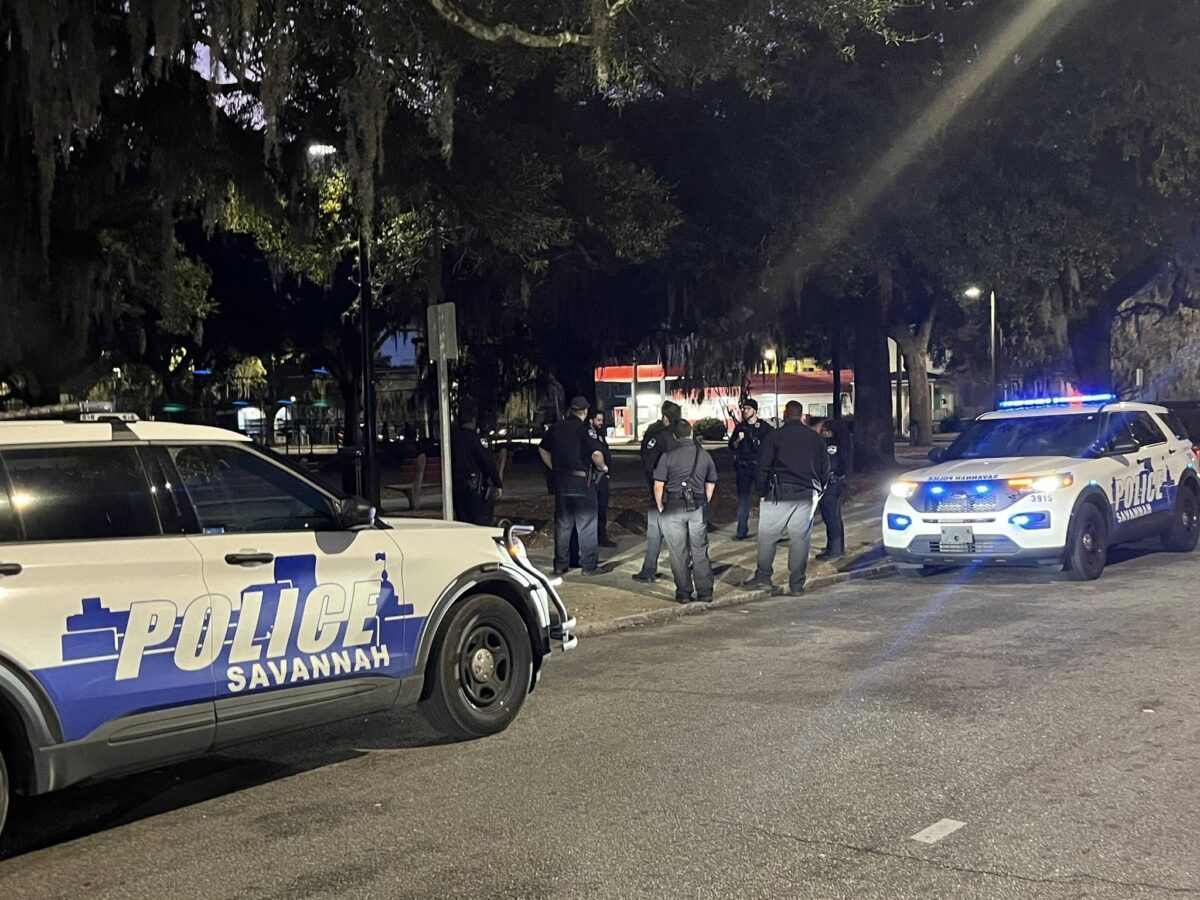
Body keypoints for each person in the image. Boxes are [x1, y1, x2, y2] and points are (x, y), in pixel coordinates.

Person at [742, 400, 832, 595]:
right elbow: (825, 469)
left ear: (785, 414)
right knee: (800, 539)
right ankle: (796, 584)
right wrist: (820, 490)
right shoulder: (815, 438)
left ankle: (764, 577)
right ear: (801, 415)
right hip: (807, 493)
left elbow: (763, 466)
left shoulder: (775, 436)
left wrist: (762, 491)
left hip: (779, 493)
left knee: (767, 537)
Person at [539, 396, 609, 576]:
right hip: (582, 482)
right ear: (585, 412)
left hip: (561, 482)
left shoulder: (556, 427)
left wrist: (554, 467)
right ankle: (589, 565)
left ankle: (561, 564)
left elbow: (542, 449)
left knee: (563, 524)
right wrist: (602, 467)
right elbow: (595, 453)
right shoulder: (585, 429)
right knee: (586, 523)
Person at [654, 420, 718, 603]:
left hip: (673, 507)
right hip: (696, 506)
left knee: (677, 551)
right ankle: (705, 592)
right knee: (700, 549)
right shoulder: (704, 455)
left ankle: (683, 592)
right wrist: (705, 501)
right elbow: (711, 482)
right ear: (691, 433)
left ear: (675, 436)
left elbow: (659, 485)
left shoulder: (667, 456)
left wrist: (660, 506)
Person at [632, 401, 682, 583]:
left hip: (662, 491)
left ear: (665, 417)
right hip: (683, 493)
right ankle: (689, 568)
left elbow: (648, 463)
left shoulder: (658, 436)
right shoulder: (684, 434)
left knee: (655, 532)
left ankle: (649, 570)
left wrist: (655, 485)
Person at [450, 400, 504, 526]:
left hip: (457, 486)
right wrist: (497, 483)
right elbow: (487, 462)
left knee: (463, 524)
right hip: (476, 489)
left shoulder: (452, 439)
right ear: (474, 419)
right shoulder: (477, 439)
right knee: (481, 524)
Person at [728, 397, 773, 541]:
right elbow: (732, 446)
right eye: (744, 409)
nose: (745, 411)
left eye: (748, 409)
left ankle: (768, 531)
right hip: (743, 468)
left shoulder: (765, 428)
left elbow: (772, 446)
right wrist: (738, 440)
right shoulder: (740, 427)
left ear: (754, 410)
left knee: (765, 499)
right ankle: (741, 530)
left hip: (759, 467)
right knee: (743, 500)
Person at [813, 417, 852, 560]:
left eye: (823, 431)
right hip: (836, 482)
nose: (820, 433)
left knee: (831, 517)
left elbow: (829, 465)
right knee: (833, 516)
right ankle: (834, 546)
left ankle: (835, 549)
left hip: (831, 484)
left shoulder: (831, 445)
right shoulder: (842, 443)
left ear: (830, 432)